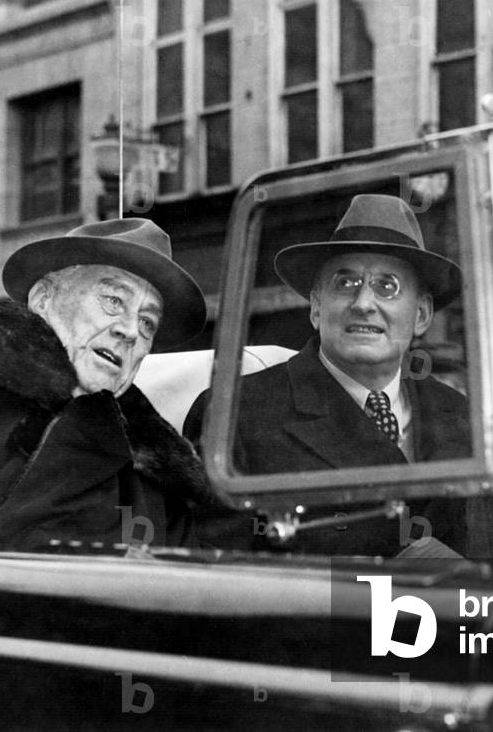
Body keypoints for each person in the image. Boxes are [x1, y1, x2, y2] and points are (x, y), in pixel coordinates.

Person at [184, 194, 469, 554]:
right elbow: (222, 583)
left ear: (422, 316)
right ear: (317, 307)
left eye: (387, 286)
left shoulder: (462, 416)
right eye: (345, 284)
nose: (364, 304)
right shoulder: (233, 418)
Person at [0, 219, 211, 552]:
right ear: (43, 299)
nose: (131, 331)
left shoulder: (160, 479)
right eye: (114, 300)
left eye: (147, 322)